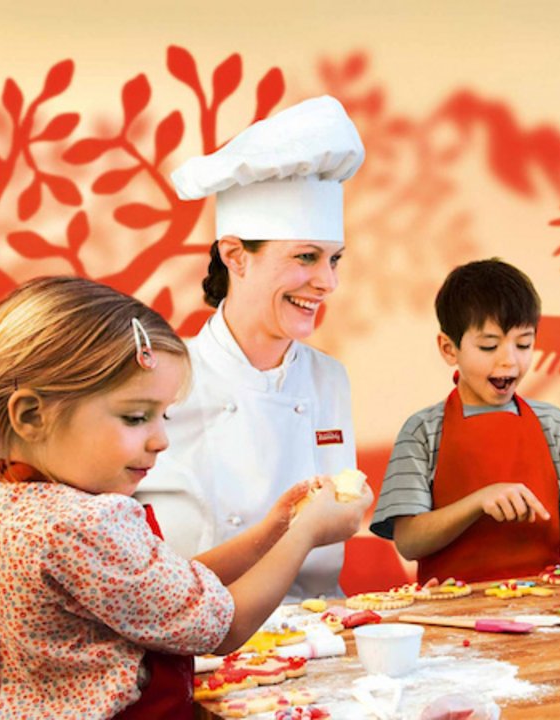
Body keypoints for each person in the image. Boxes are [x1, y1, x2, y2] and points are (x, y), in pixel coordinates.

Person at [0, 277, 370, 719]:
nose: (161, 441)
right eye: (136, 418)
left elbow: (170, 588)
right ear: (32, 415)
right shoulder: (82, 523)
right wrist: (306, 534)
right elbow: (225, 628)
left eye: (164, 417)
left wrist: (274, 529)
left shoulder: (7, 500)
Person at [135, 96, 366, 599]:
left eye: (334, 260)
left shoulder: (330, 378)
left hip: (322, 625)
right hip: (201, 631)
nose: (328, 282)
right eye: (306, 257)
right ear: (236, 256)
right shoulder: (159, 378)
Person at [369, 259, 560, 582]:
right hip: (454, 604)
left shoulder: (553, 424)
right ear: (449, 349)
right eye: (489, 346)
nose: (510, 360)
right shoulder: (423, 431)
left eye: (523, 344)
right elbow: (409, 541)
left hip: (544, 600)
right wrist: (478, 502)